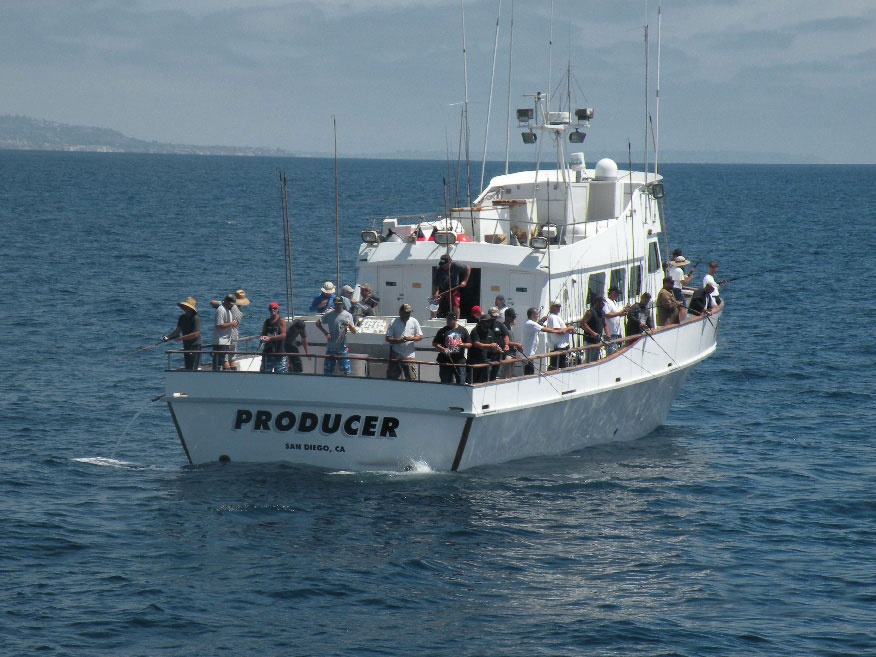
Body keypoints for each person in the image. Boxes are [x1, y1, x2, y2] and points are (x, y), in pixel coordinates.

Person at [317, 297, 356, 375]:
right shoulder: (329, 314)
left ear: (342, 304)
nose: (337, 306)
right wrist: (326, 333)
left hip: (342, 347)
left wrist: (349, 326)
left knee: (345, 370)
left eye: (339, 304)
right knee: (328, 370)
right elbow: (318, 323)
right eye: (336, 304)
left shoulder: (348, 315)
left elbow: (354, 331)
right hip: (331, 346)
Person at [385, 303, 423, 380]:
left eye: (409, 312)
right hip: (396, 354)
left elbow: (420, 337)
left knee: (412, 379)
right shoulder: (394, 322)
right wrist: (400, 340)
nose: (408, 314)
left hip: (409, 356)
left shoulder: (414, 321)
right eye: (406, 312)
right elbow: (388, 338)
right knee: (392, 378)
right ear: (400, 312)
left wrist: (411, 338)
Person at [467, 311, 506, 384]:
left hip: (484, 361)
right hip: (474, 361)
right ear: (482, 322)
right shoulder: (476, 330)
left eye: (490, 321)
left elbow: (490, 349)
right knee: (472, 382)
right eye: (487, 321)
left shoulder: (490, 332)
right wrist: (490, 345)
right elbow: (476, 344)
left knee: (483, 382)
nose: (489, 323)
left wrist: (496, 349)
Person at [163, 297, 201, 370]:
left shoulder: (195, 318)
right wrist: (168, 337)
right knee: (188, 366)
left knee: (193, 367)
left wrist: (181, 338)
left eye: (187, 307)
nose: (185, 308)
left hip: (195, 345)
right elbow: (177, 331)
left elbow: (195, 334)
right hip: (186, 345)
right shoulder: (182, 317)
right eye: (184, 306)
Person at [432, 312, 470, 384]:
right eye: (447, 319)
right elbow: (435, 343)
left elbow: (469, 344)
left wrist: (463, 345)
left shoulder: (463, 330)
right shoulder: (442, 330)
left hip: (459, 361)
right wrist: (443, 349)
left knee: (461, 381)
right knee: (446, 382)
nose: (448, 321)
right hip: (445, 361)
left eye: (450, 319)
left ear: (455, 319)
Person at [431, 254, 470, 318]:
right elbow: (436, 282)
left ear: (450, 263)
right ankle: (433, 318)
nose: (444, 267)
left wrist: (465, 281)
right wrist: (436, 292)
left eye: (446, 265)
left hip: (453, 288)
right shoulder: (439, 269)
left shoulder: (456, 265)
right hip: (442, 289)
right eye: (443, 265)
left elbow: (468, 268)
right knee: (434, 303)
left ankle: (456, 319)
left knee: (455, 304)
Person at [545, 301, 574, 370]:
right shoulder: (553, 317)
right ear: (552, 307)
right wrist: (569, 328)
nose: (559, 308)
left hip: (561, 346)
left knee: (561, 366)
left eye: (559, 306)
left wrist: (567, 330)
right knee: (556, 367)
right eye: (557, 306)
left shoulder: (555, 317)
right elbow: (558, 331)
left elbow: (561, 330)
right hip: (558, 347)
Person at [212, 294, 238, 371]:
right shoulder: (221, 310)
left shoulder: (228, 310)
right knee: (219, 362)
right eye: (230, 304)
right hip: (220, 341)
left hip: (226, 341)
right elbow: (218, 325)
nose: (232, 306)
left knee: (222, 361)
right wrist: (231, 324)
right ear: (226, 301)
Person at [260, 302, 287, 373]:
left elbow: (283, 335)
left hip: (279, 353)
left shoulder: (281, 321)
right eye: (271, 309)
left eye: (274, 308)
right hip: (268, 352)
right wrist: (262, 339)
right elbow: (263, 333)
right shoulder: (267, 322)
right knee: (264, 373)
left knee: (281, 374)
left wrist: (270, 338)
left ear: (278, 310)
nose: (272, 310)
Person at [579, 296, 607, 364]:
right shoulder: (590, 312)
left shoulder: (602, 313)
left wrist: (607, 334)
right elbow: (582, 324)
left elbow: (604, 324)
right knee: (589, 360)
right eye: (601, 303)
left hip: (597, 340)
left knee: (595, 359)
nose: (603, 305)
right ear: (597, 302)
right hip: (589, 341)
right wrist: (593, 333)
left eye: (603, 303)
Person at [602, 286, 627, 354]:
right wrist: (619, 313)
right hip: (609, 333)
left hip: (615, 332)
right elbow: (607, 315)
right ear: (612, 293)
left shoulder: (614, 302)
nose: (617, 296)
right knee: (611, 352)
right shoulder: (606, 302)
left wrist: (625, 310)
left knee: (614, 351)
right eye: (617, 294)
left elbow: (617, 313)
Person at [500, 307, 523, 378]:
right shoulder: (503, 327)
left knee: (510, 376)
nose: (514, 319)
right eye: (513, 317)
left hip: (512, 354)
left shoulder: (509, 327)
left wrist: (516, 346)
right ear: (507, 317)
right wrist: (517, 344)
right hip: (507, 355)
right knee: (505, 376)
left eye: (514, 317)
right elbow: (504, 342)